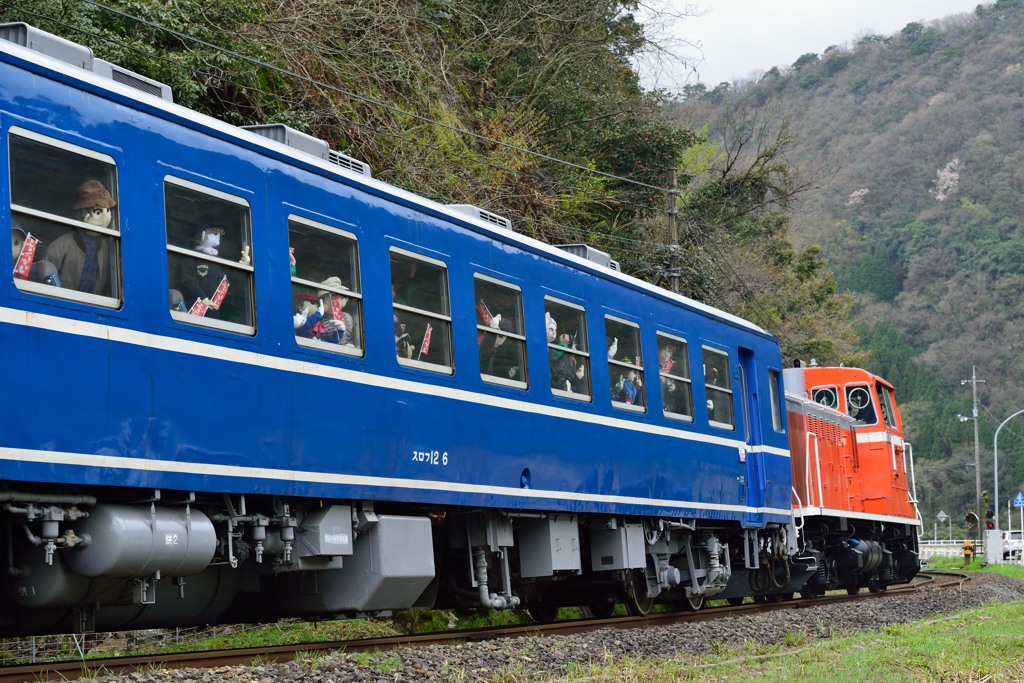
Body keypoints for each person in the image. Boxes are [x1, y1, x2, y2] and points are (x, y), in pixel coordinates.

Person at [44, 179, 115, 294]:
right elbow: (43, 278)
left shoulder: (109, 249)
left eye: (107, 211)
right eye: (97, 212)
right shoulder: (61, 246)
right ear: (81, 213)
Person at [317, 277, 357, 347]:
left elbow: (353, 336)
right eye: (333, 298)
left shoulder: (348, 317)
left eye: (342, 297)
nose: (337, 302)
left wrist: (350, 344)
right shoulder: (321, 322)